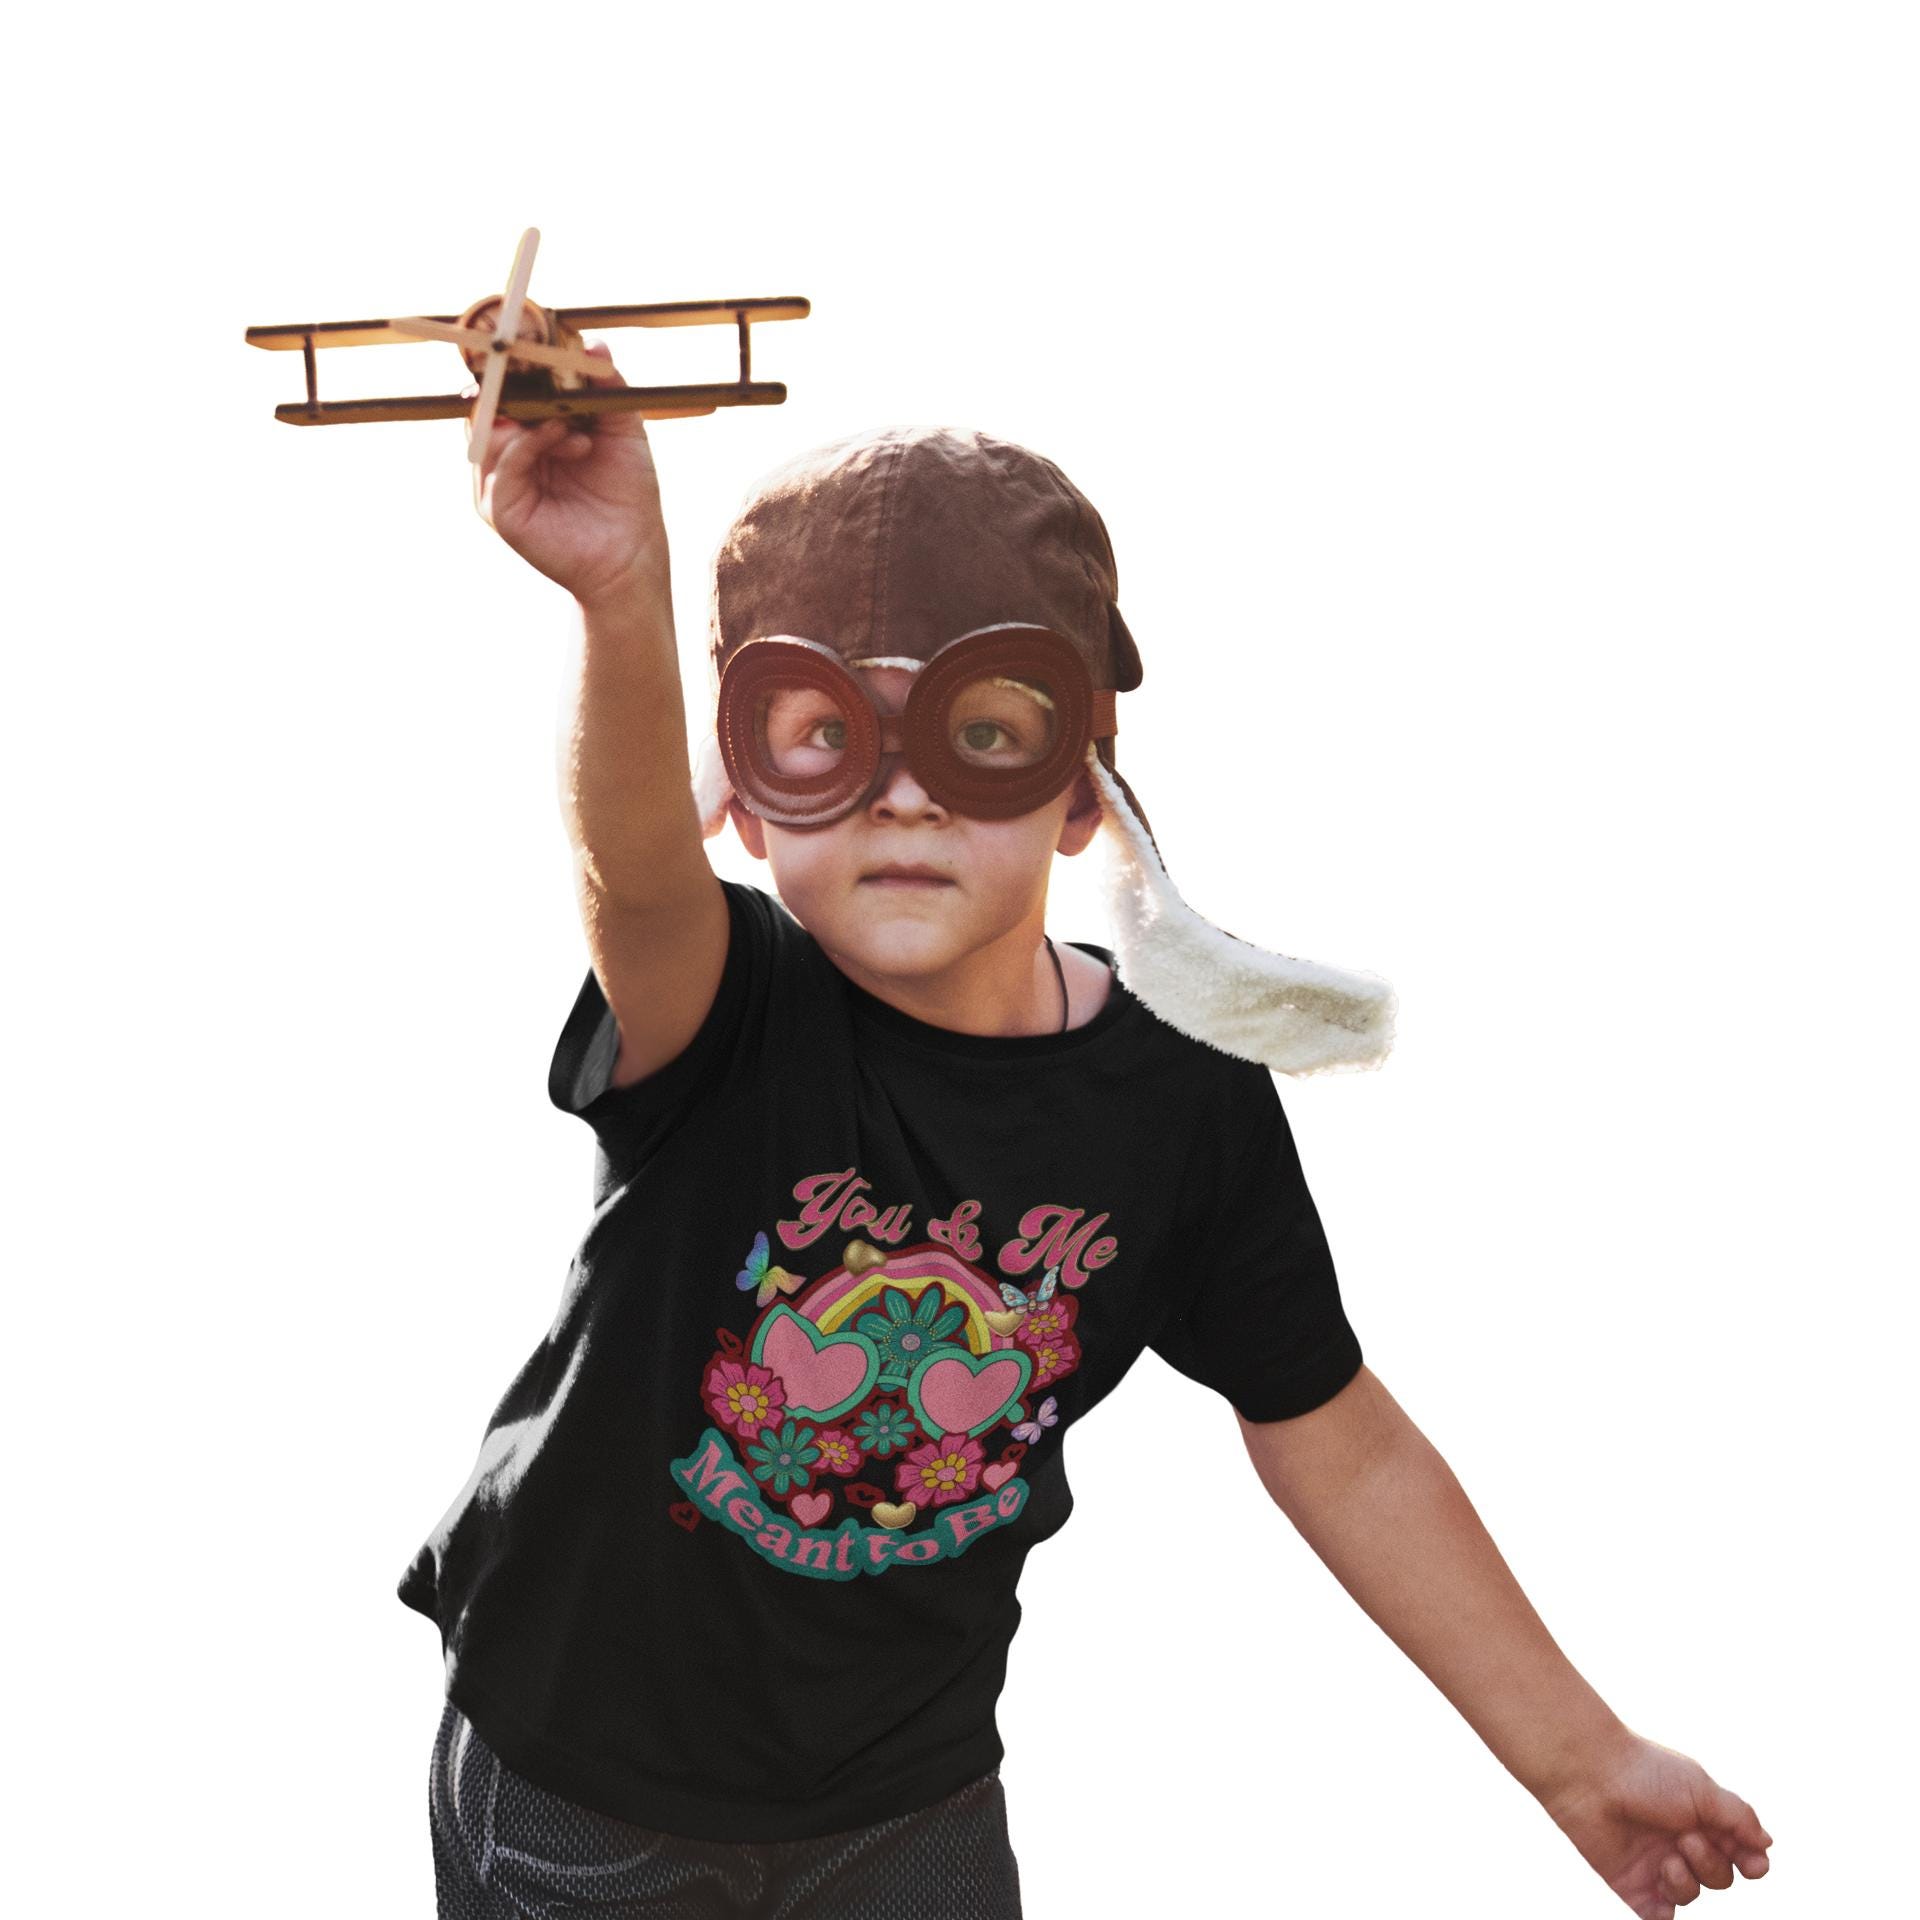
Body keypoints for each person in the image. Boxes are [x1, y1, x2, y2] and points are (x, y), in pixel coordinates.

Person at [400, 347, 1774, 1920]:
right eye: (828, 732)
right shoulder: (726, 1007)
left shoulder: (1177, 1100)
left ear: (1079, 788)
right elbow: (635, 874)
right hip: (589, 1783)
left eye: (979, 731)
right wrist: (618, 591)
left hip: (899, 1796)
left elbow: (1336, 1436)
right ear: (747, 793)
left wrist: (1580, 1761)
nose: (903, 797)